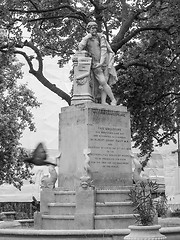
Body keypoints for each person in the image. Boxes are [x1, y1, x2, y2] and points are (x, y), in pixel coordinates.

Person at [78, 21, 117, 105]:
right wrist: (86, 37)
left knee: (104, 83)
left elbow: (104, 49)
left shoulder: (101, 37)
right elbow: (80, 48)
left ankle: (104, 101)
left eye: (95, 28)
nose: (94, 30)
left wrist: (101, 62)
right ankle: (113, 99)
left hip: (105, 63)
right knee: (103, 82)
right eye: (92, 28)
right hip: (95, 64)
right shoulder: (87, 39)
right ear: (88, 30)